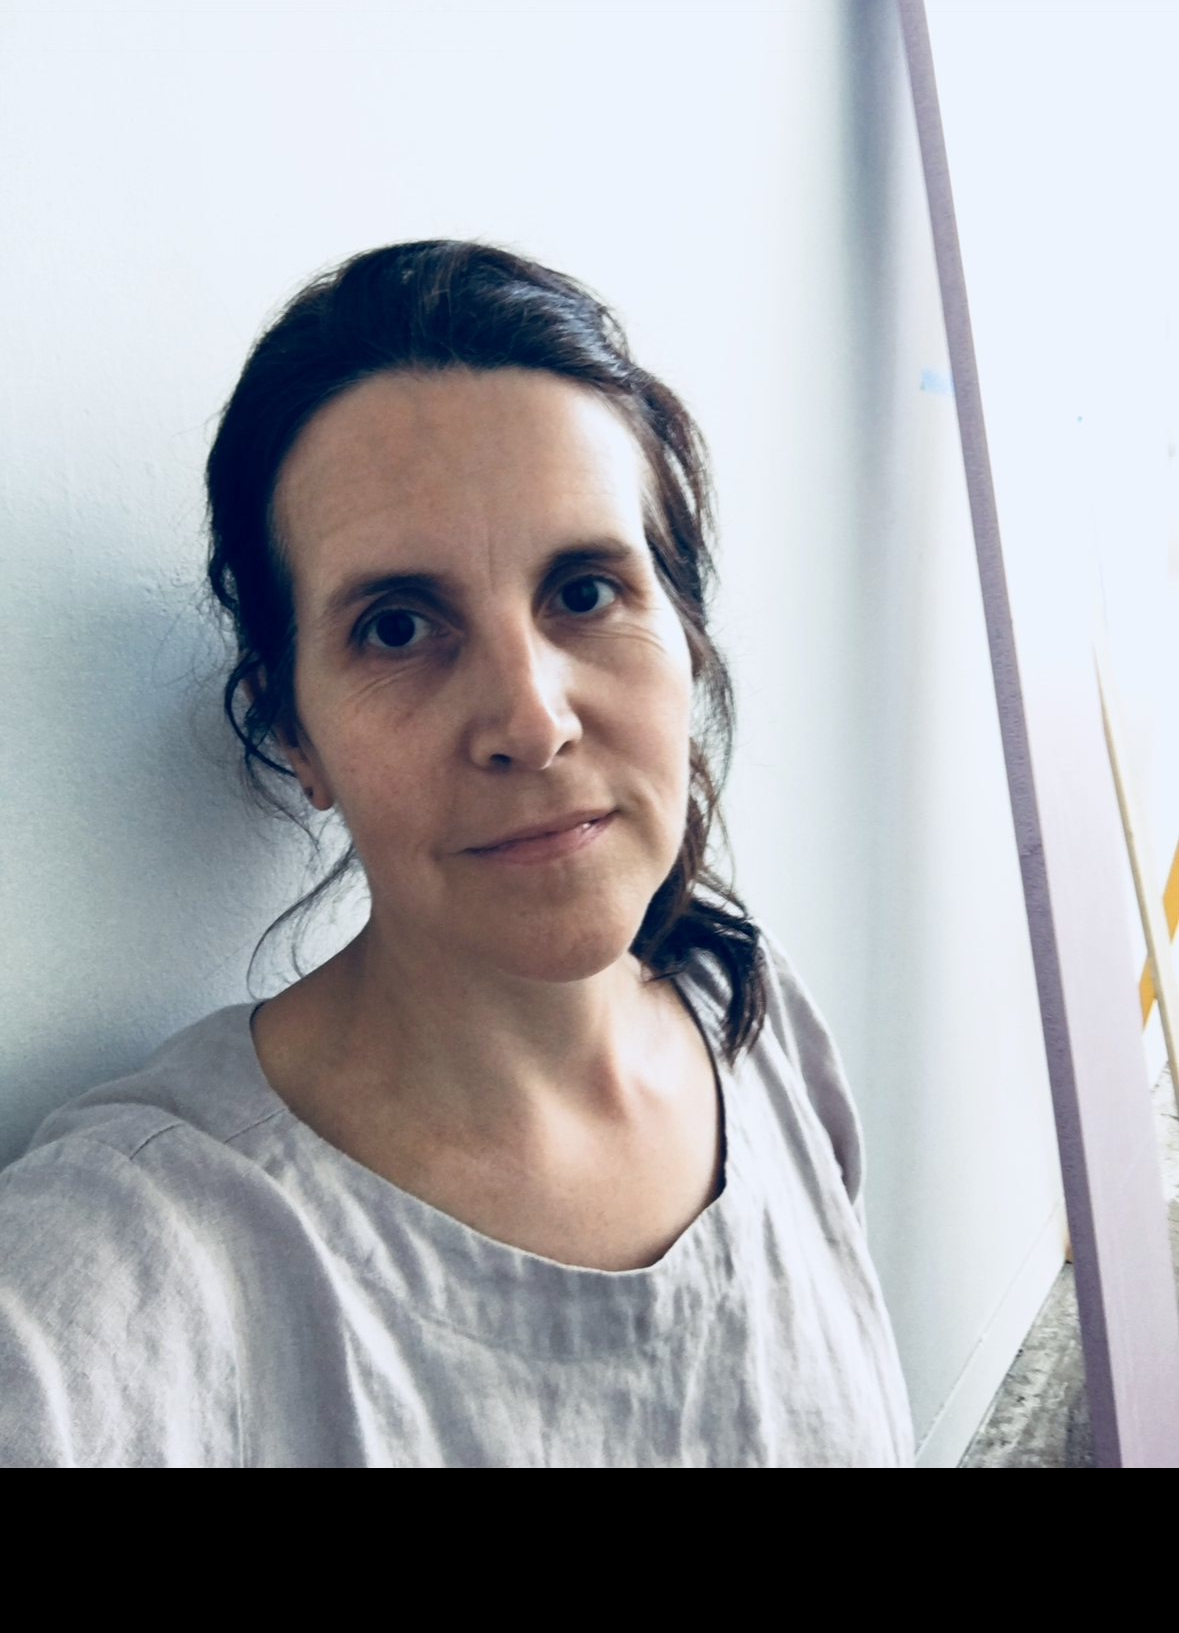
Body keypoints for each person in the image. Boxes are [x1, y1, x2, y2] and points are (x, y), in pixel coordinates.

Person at [0, 242, 913, 1466]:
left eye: (585, 590)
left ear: (684, 639)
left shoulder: (753, 1012)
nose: (531, 720)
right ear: (294, 732)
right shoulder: (140, 1245)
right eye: (397, 625)